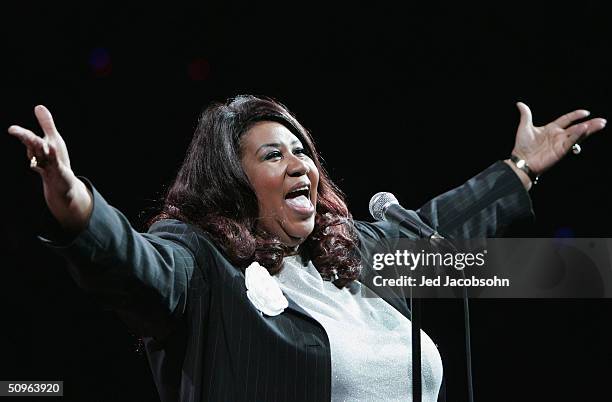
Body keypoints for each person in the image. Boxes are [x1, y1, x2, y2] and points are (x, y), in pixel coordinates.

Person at [8, 95, 606, 402]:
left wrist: (521, 167)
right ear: (232, 181)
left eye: (304, 152)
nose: (301, 165)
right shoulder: (205, 265)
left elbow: (441, 228)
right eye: (274, 154)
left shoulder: (354, 257)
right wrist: (75, 202)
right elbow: (134, 265)